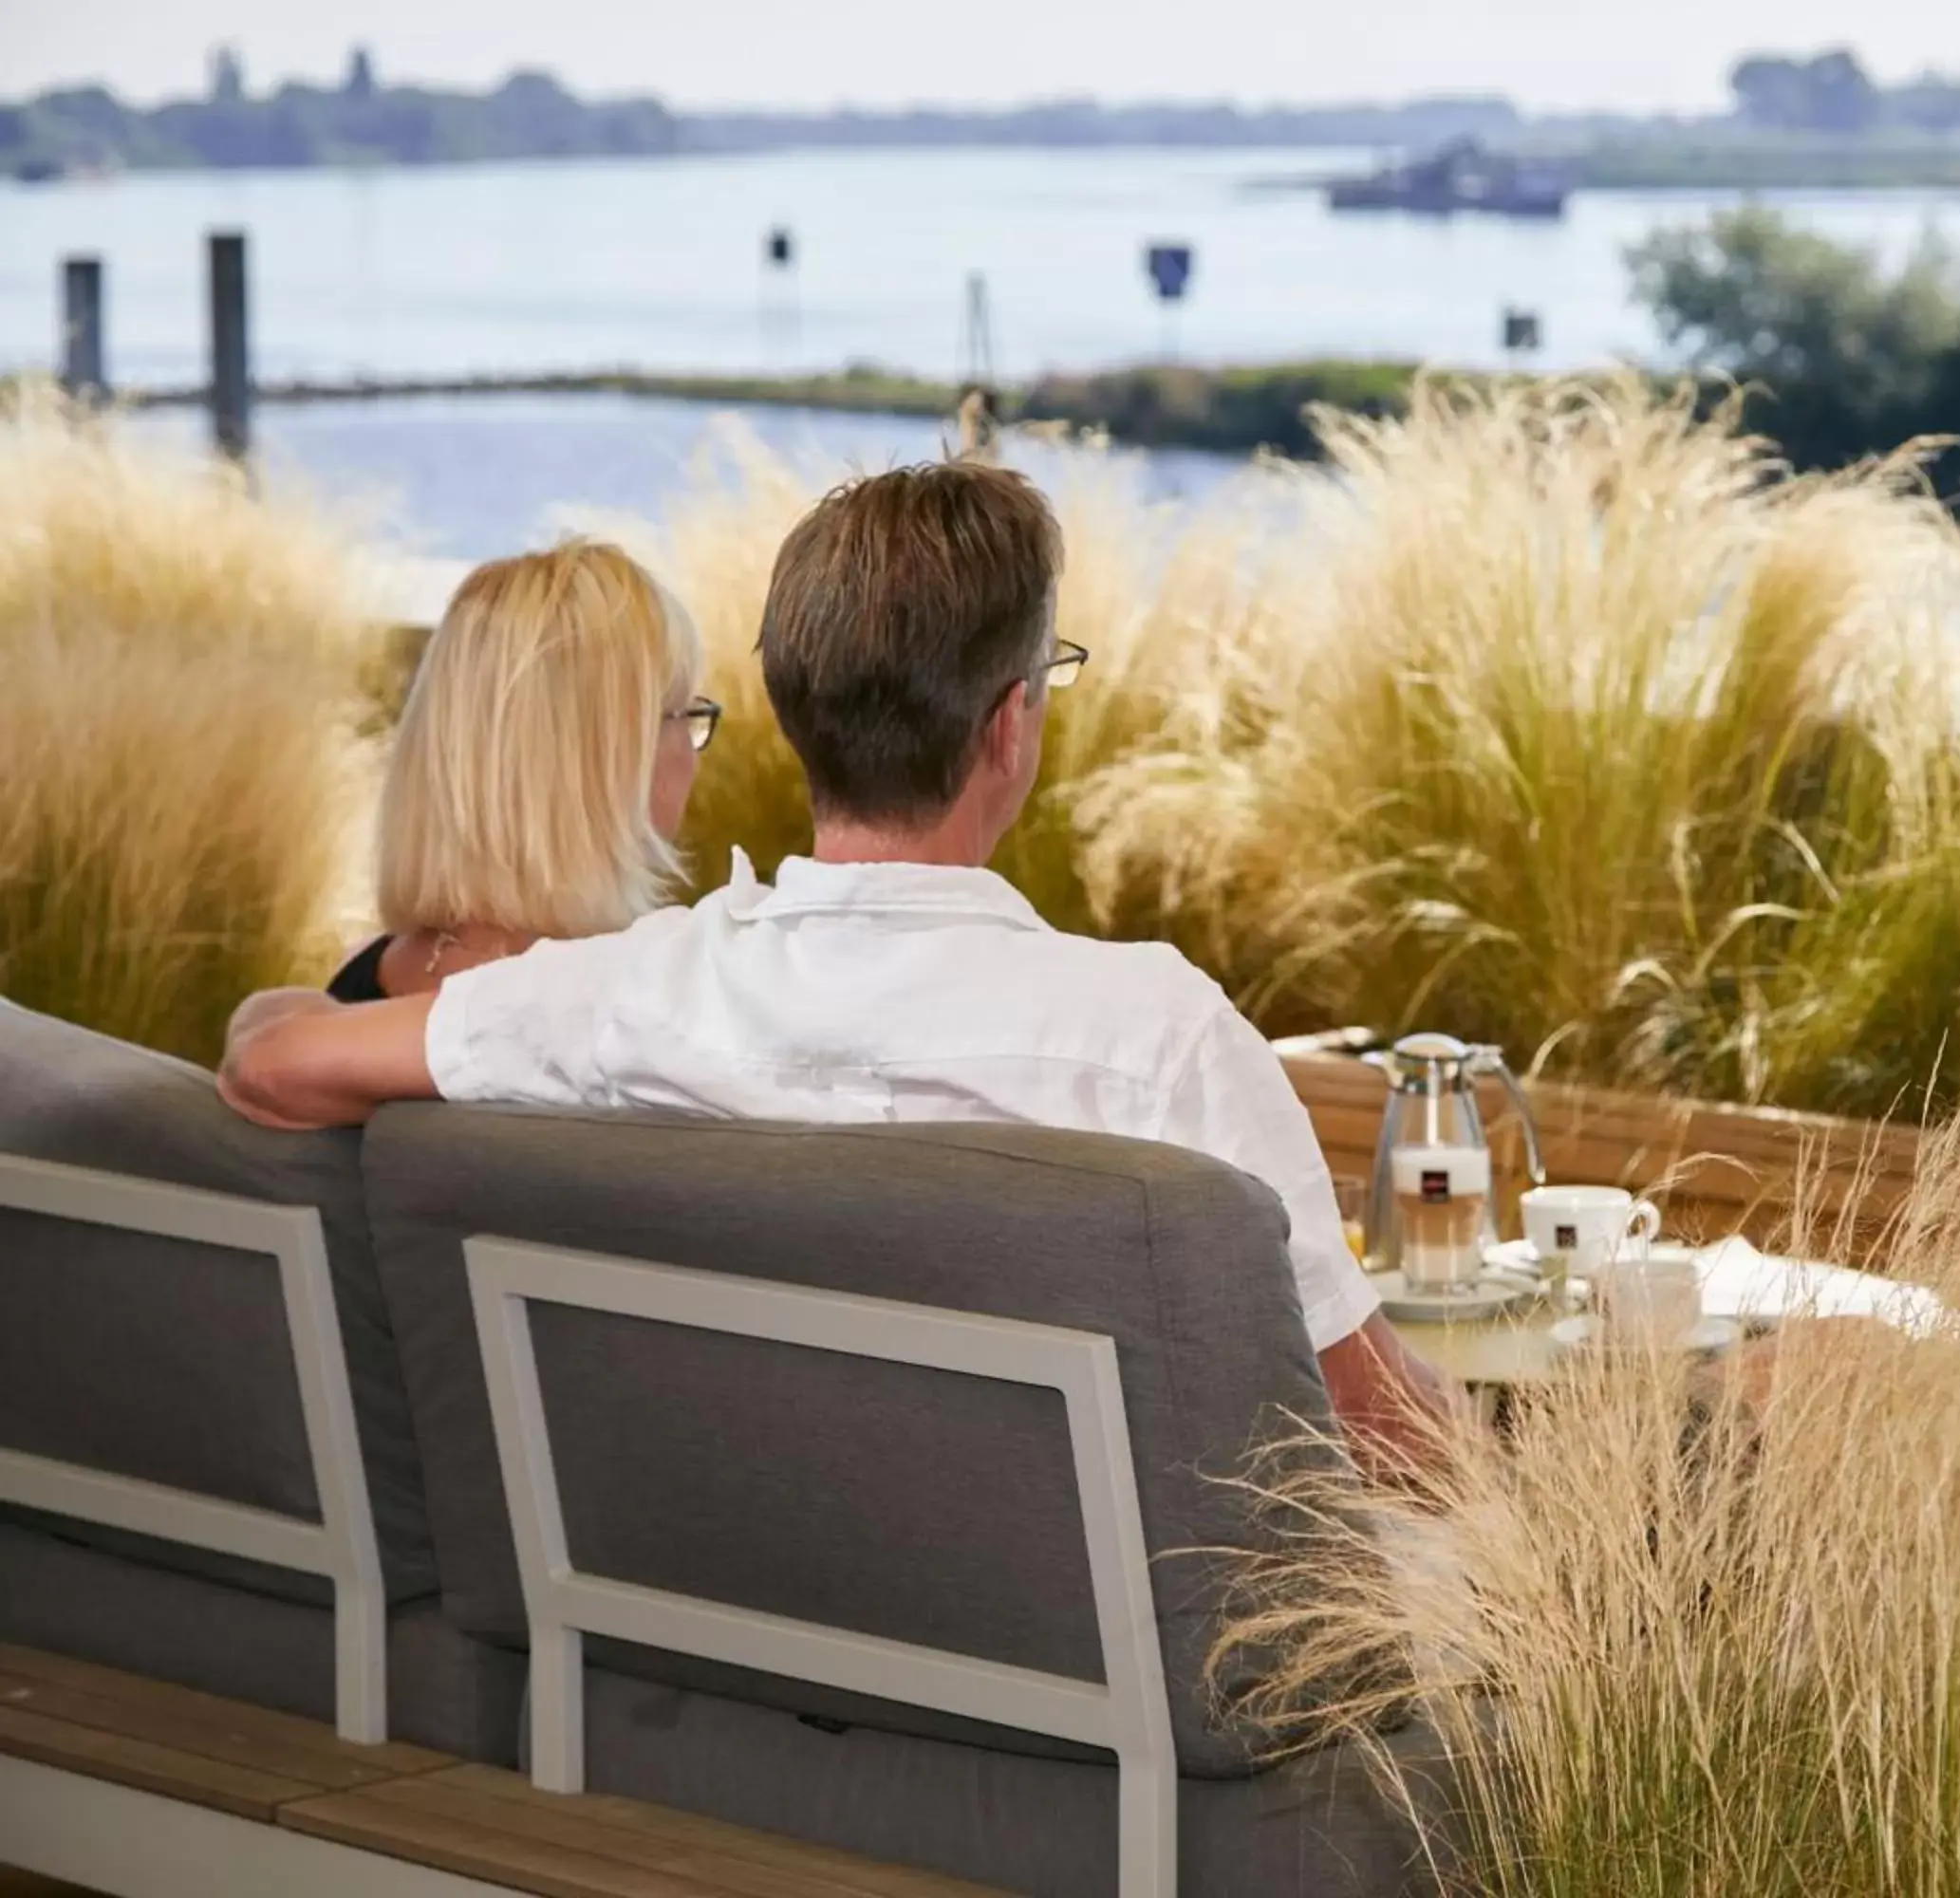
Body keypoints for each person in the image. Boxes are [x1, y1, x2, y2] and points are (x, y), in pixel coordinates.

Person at [219, 461, 1456, 1470]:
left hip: (764, 1606)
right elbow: (1383, 1432)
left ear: (800, 715)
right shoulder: (1160, 1040)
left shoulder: (617, 998)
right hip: (1119, 1668)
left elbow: (276, 1064)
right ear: (1008, 727)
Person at [328, 540, 719, 1002]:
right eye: (683, 715)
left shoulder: (350, 989)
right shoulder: (619, 1016)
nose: (693, 754)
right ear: (606, 762)